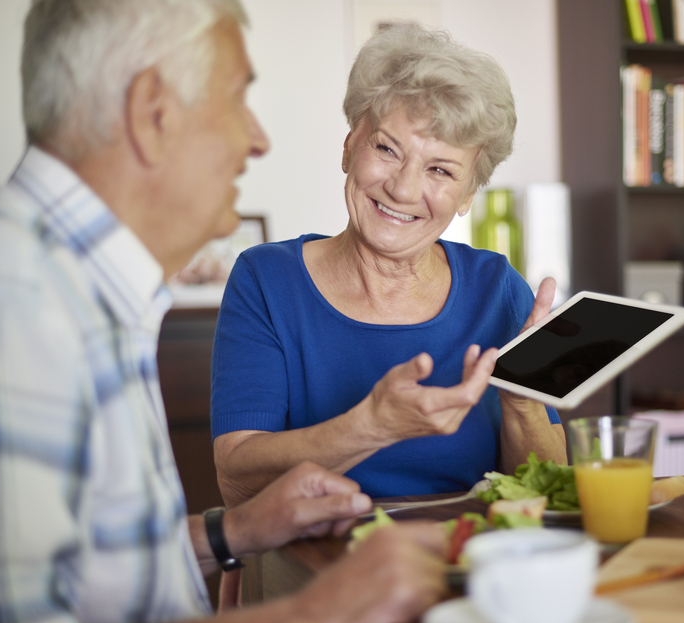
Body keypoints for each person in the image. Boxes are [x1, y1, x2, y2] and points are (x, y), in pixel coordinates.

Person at [0, 2, 447, 623]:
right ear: (152, 111)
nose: (257, 138)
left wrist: (237, 530)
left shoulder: (72, 289)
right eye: (237, 98)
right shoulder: (2, 297)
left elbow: (93, 571)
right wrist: (314, 617)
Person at [211, 23, 566, 505]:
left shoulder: (497, 288)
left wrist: (523, 405)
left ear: (466, 196)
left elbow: (546, 493)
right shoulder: (267, 280)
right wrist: (369, 427)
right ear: (349, 147)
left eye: (440, 170)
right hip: (319, 565)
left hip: (464, 565)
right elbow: (237, 478)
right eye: (386, 149)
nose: (402, 189)